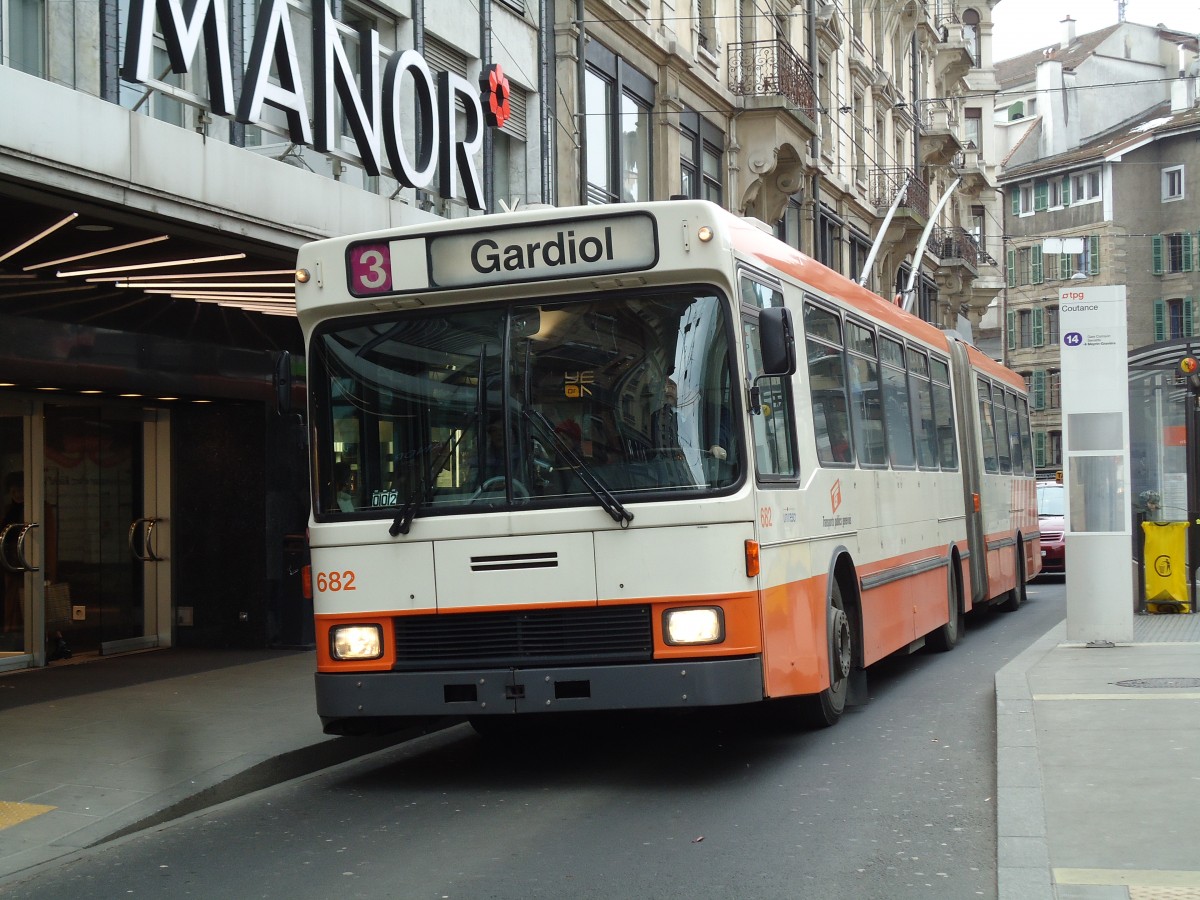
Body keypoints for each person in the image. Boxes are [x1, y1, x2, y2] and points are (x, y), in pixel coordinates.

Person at [2, 471, 25, 634]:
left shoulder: (36, 508)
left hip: (25, 559)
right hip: (10, 559)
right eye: (14, 491)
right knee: (11, 597)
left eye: (20, 490)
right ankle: (11, 631)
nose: (17, 494)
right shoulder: (9, 510)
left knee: (29, 598)